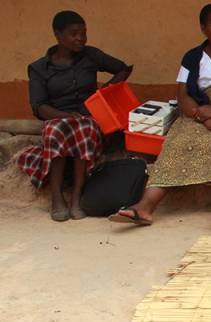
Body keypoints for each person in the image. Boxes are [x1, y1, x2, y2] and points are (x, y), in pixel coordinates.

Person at [109, 3, 211, 229]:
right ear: (203, 28)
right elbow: (184, 95)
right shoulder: (192, 57)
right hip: (199, 114)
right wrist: (204, 117)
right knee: (176, 144)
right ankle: (145, 207)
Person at [16, 11, 132, 222]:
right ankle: (57, 197)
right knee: (55, 129)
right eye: (73, 34)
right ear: (57, 34)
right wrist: (66, 115)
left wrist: (101, 96)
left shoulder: (90, 56)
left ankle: (78, 194)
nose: (81, 38)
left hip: (88, 118)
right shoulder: (39, 68)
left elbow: (123, 69)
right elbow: (39, 106)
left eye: (83, 33)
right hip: (56, 117)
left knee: (85, 127)